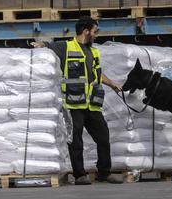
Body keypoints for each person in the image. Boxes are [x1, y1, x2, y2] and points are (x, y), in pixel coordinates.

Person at [37, 17, 124, 185]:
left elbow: (97, 74)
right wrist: (41, 45)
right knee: (76, 141)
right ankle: (79, 175)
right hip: (73, 104)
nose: (97, 35)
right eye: (95, 31)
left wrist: (112, 84)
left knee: (103, 137)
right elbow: (49, 47)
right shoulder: (66, 47)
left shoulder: (94, 51)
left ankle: (104, 173)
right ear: (86, 31)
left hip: (92, 105)